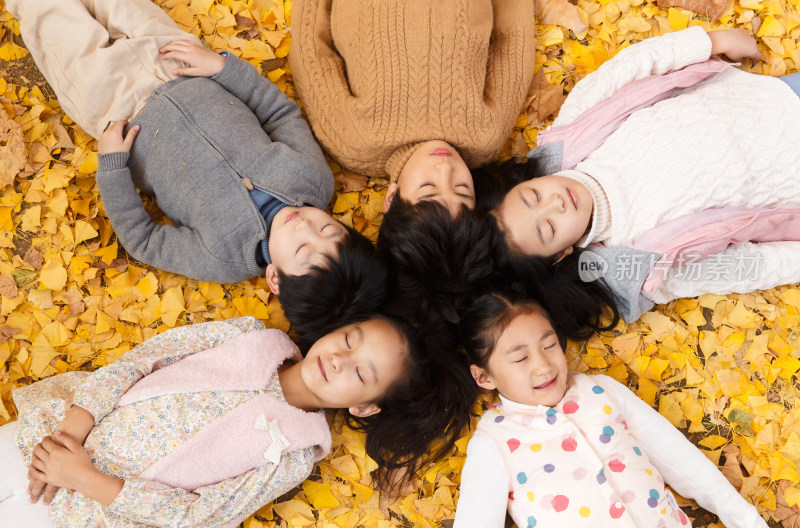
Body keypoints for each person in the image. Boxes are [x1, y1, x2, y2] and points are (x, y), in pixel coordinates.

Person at [6, 0, 389, 345]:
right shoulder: (314, 180)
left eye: (303, 249)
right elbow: (278, 113)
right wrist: (222, 67)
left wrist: (112, 166)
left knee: (50, 15)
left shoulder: (224, 259)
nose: (304, 226)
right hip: (182, 62)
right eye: (328, 228)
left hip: (116, 105)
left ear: (275, 278)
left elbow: (144, 240)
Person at [0, 314, 469, 528]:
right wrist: (72, 429)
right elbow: (147, 357)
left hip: (93, 513)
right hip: (56, 434)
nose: (340, 360)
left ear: (366, 407)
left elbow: (201, 513)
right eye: (350, 339)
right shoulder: (250, 335)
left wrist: (83, 477)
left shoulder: (296, 452)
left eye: (362, 373)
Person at [478, 27, 800, 321]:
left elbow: (631, 66)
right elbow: (743, 266)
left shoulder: (572, 133)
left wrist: (710, 42)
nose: (556, 204)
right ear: (561, 254)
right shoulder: (644, 263)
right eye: (549, 228)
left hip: (775, 97)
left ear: (527, 181)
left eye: (533, 196)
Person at [289, 0, 537, 325]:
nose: (445, 168)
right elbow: (513, 44)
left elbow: (311, 54)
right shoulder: (485, 138)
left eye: (429, 188)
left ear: (391, 198)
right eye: (463, 189)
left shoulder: (353, 141)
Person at [452, 293, 772, 528]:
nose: (543, 365)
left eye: (549, 345)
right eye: (520, 358)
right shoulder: (493, 441)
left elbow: (679, 459)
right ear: (484, 377)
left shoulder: (599, 390)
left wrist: (749, 524)